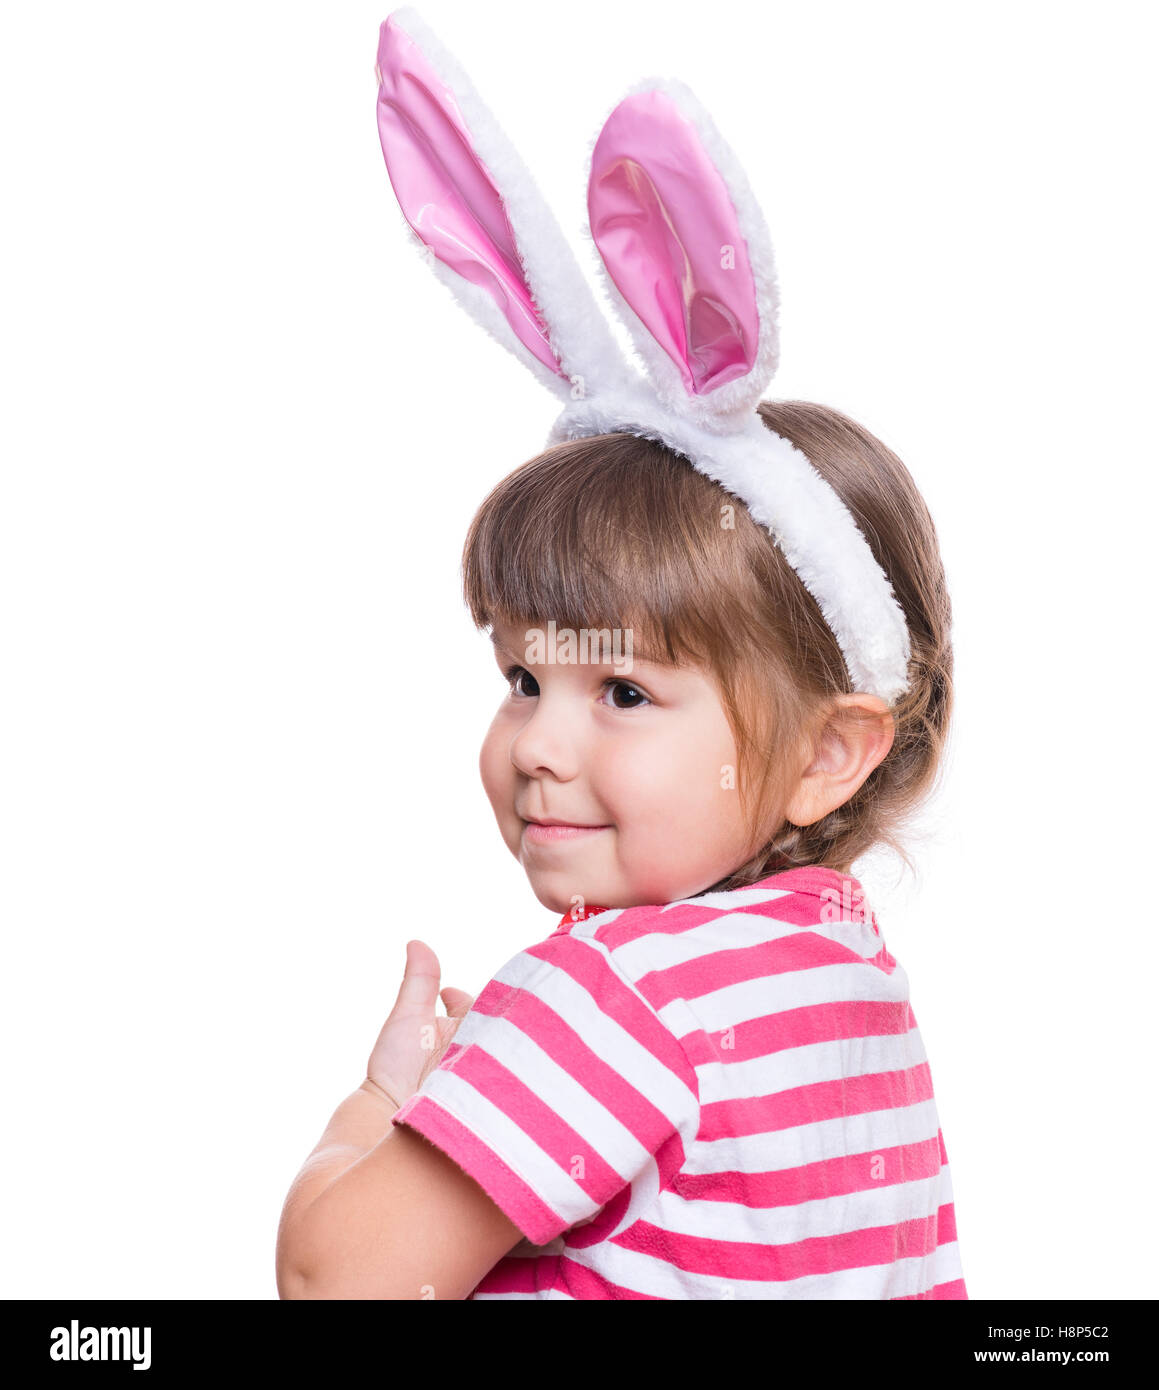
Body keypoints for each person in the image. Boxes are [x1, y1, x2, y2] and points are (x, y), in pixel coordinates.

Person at [275, 8, 967, 1300]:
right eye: (525, 676)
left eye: (625, 690)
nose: (538, 742)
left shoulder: (610, 992)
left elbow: (336, 1277)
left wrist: (385, 1102)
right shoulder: (848, 973)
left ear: (825, 752)